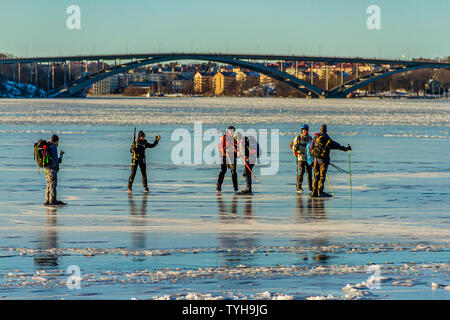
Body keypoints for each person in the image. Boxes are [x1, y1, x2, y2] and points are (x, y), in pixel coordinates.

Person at [309, 124, 351, 197]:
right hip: (324, 162)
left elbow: (310, 148)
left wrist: (312, 159)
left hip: (315, 160)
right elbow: (337, 146)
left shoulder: (315, 138)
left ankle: (314, 192)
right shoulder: (328, 139)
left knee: (316, 176)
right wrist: (346, 148)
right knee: (322, 176)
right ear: (326, 130)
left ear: (320, 130)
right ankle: (320, 192)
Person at [44, 134, 65, 206]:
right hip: (52, 169)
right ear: (56, 141)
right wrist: (57, 167)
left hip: (46, 169)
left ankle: (47, 200)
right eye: (58, 141)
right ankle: (53, 199)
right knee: (53, 184)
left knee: (48, 184)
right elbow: (56, 161)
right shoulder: (53, 147)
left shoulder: (49, 146)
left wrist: (61, 155)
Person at [291, 124, 313, 194]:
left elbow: (313, 148)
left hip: (308, 158)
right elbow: (294, 147)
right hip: (300, 158)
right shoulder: (298, 138)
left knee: (310, 172)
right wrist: (295, 152)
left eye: (306, 130)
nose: (305, 132)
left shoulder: (310, 138)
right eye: (304, 130)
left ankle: (310, 187)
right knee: (301, 172)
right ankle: (299, 187)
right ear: (302, 131)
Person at [217, 126, 238, 193]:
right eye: (230, 131)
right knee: (223, 171)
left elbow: (237, 147)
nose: (232, 132)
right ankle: (218, 186)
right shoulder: (224, 137)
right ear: (228, 131)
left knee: (233, 172)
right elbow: (220, 147)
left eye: (233, 131)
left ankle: (235, 188)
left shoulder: (234, 138)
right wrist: (225, 150)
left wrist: (236, 150)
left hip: (232, 157)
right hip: (225, 156)